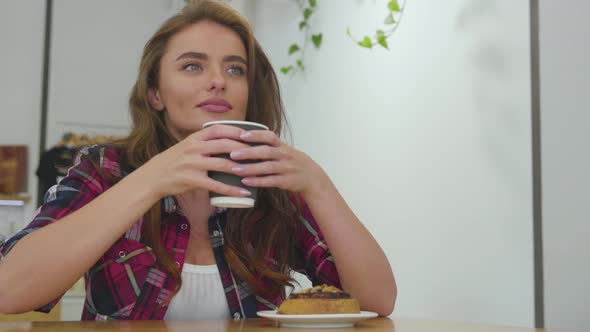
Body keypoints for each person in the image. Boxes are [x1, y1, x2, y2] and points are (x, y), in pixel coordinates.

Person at [0, 0, 396, 320]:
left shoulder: (269, 180)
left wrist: (318, 185)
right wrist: (153, 179)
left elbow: (378, 300)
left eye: (234, 69)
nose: (218, 80)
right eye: (193, 65)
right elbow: (9, 290)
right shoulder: (106, 167)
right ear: (155, 93)